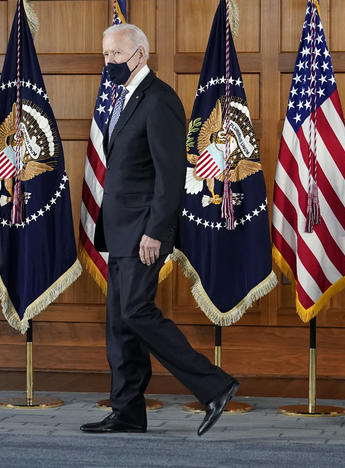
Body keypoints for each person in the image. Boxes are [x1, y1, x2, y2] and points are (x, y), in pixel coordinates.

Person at [81, 24, 239, 436]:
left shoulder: (160, 100)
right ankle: (128, 412)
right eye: (105, 55)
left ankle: (215, 386)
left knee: (136, 312)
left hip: (142, 233)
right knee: (120, 322)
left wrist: (157, 231)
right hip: (118, 230)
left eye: (115, 55)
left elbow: (170, 175)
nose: (108, 62)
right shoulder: (124, 97)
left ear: (140, 55)